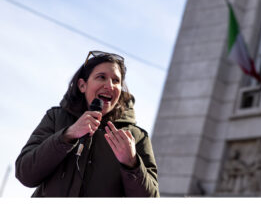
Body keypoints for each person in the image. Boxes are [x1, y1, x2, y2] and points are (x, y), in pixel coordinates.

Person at [15, 50, 159, 197]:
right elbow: (25, 174)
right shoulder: (56, 118)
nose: (109, 86)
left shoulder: (136, 137)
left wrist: (132, 164)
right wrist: (67, 136)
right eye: (101, 77)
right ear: (82, 85)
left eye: (116, 81)